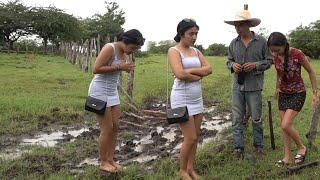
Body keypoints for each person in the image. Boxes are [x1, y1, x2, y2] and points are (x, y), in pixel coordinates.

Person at [87, 29, 144, 173]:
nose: (132, 51)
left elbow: (115, 70)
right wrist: (119, 66)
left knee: (115, 127)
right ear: (124, 41)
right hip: (99, 91)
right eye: (132, 48)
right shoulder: (109, 48)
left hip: (112, 92)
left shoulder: (124, 53)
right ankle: (103, 162)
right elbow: (96, 68)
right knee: (106, 129)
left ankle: (111, 159)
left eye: (135, 49)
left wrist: (124, 69)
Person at [224, 4, 272, 157]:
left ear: (248, 25)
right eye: (236, 25)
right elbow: (228, 61)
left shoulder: (261, 42)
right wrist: (233, 66)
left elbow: (269, 61)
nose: (237, 28)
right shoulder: (233, 43)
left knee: (256, 118)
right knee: (237, 118)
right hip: (238, 87)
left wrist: (256, 65)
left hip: (255, 86)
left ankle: (259, 146)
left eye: (240, 25)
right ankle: (238, 148)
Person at [168, 18, 212, 180]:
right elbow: (179, 74)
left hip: (196, 98)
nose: (194, 37)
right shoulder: (174, 51)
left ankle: (191, 168)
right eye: (191, 34)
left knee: (196, 136)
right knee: (190, 137)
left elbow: (209, 69)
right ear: (181, 34)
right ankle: (182, 171)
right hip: (181, 98)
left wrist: (191, 72)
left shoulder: (196, 51)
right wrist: (197, 75)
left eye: (196, 34)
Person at [267, 32, 318, 167]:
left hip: (298, 93)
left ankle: (301, 147)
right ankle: (287, 157)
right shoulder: (275, 56)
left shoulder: (297, 54)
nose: (274, 53)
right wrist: (277, 88)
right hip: (283, 93)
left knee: (285, 124)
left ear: (284, 45)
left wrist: (314, 93)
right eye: (272, 50)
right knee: (285, 129)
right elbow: (278, 73)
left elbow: (311, 72)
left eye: (277, 50)